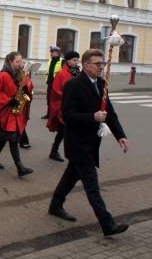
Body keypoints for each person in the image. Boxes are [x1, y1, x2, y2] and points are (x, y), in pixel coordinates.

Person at [48, 49, 130, 237]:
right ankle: (107, 225)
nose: (102, 67)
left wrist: (121, 136)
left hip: (92, 142)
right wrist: (92, 117)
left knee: (71, 176)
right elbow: (67, 116)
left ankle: (55, 205)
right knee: (91, 184)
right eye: (97, 64)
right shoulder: (73, 85)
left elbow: (110, 112)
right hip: (77, 143)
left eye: (103, 64)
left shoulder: (102, 84)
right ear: (85, 65)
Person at [0, 51, 34, 178]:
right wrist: (9, 100)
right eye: (17, 62)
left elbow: (26, 87)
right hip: (6, 112)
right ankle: (20, 167)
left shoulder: (20, 73)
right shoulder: (4, 75)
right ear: (10, 62)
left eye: (21, 61)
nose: (20, 64)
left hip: (15, 112)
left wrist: (27, 83)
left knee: (6, 137)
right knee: (13, 139)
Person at [46, 51, 81, 162]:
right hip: (64, 107)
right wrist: (70, 98)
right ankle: (69, 154)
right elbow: (56, 91)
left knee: (64, 131)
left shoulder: (77, 72)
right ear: (67, 61)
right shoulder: (62, 73)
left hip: (74, 107)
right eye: (74, 60)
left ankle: (54, 151)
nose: (76, 62)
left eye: (77, 60)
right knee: (66, 131)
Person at [43, 46, 63, 119]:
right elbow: (50, 70)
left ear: (57, 53)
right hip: (50, 83)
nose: (51, 53)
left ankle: (55, 115)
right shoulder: (50, 60)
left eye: (52, 52)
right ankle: (49, 114)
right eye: (50, 52)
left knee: (56, 100)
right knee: (49, 99)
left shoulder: (62, 61)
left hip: (57, 84)